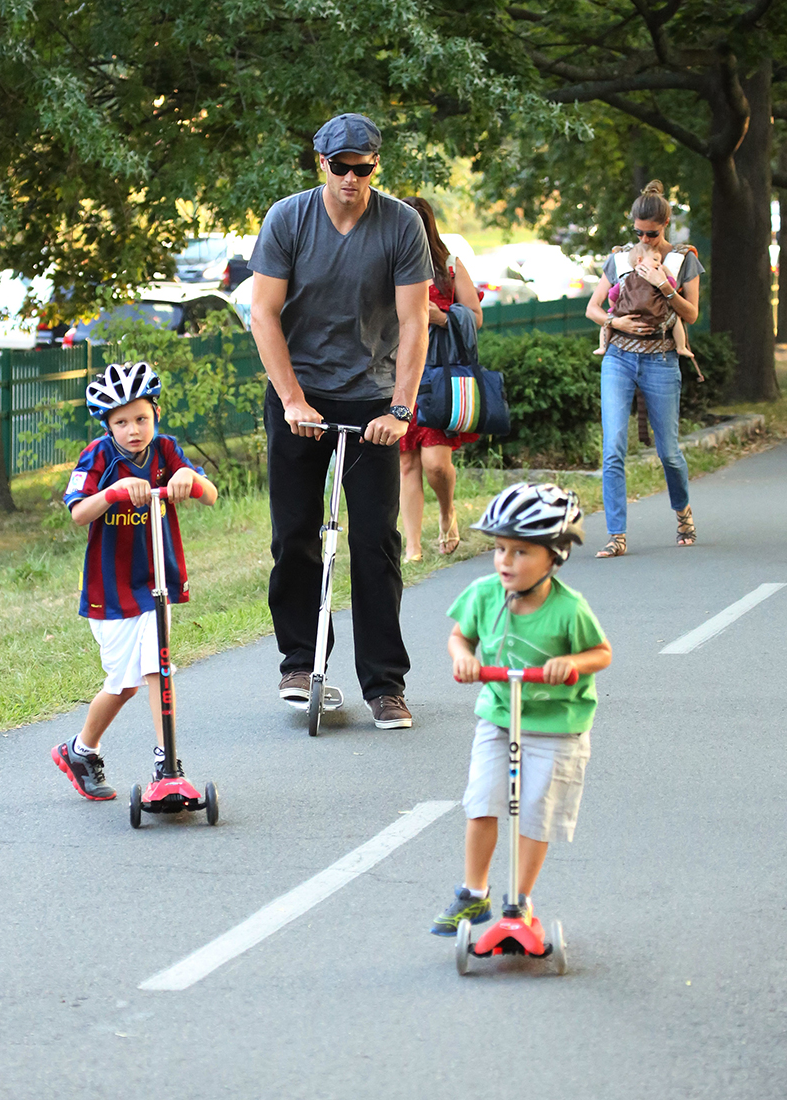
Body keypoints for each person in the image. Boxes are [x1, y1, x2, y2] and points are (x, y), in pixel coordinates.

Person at [249, 112, 432, 730]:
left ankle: (385, 684)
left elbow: (414, 321)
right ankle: (302, 664)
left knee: (375, 542)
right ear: (321, 163)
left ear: (375, 165)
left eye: (364, 168)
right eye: (341, 167)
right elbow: (263, 314)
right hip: (299, 395)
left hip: (371, 401)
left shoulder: (401, 225)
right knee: (295, 536)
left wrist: (400, 408)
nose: (352, 178)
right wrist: (293, 400)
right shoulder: (288, 219)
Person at [430, 482, 612, 935]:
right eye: (500, 549)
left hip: (558, 727)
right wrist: (463, 657)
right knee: (482, 800)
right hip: (499, 716)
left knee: (535, 811)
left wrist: (571, 663)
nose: (505, 561)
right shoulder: (484, 594)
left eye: (521, 552)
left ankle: (519, 901)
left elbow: (601, 653)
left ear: (555, 555)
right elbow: (459, 636)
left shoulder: (569, 609)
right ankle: (474, 894)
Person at [51, 361, 218, 800]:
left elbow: (210, 494)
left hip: (155, 583)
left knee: (156, 668)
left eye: (141, 419)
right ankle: (80, 749)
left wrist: (188, 477)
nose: (133, 430)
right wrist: (112, 493)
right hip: (110, 590)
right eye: (121, 423)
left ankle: (167, 762)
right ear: (108, 426)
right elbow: (77, 512)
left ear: (155, 414)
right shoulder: (99, 456)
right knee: (123, 685)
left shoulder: (166, 450)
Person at [586, 180, 704, 558]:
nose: (644, 239)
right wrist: (614, 322)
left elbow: (692, 314)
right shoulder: (620, 258)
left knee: (669, 452)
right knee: (613, 448)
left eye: (650, 233)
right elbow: (593, 308)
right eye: (638, 232)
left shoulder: (683, 260)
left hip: (661, 358)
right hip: (619, 357)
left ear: (665, 225)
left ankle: (683, 513)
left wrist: (664, 286)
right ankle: (616, 535)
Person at [398, 197, 484, 562]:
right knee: (406, 462)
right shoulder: (387, 263)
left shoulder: (448, 265)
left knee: (435, 462)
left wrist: (442, 317)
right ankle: (413, 547)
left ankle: (447, 511)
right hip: (399, 374)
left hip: (439, 375)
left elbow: (475, 316)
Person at [593, 240, 693, 362]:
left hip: (634, 314)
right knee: (675, 319)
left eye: (660, 261)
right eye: (655, 260)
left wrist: (614, 308)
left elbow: (613, 295)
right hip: (652, 314)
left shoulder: (627, 278)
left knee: (607, 323)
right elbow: (672, 285)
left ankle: (602, 346)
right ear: (639, 260)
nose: (659, 264)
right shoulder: (650, 278)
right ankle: (681, 346)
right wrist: (666, 273)